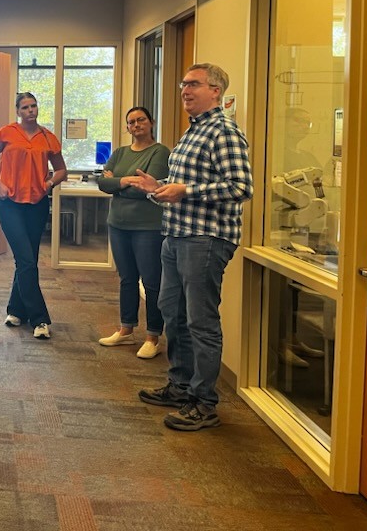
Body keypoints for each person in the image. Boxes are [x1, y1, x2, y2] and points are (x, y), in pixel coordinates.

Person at [129, 63, 253, 431]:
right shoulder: (192, 132)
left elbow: (241, 187)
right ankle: (180, 386)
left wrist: (186, 190)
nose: (185, 89)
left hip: (206, 239)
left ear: (216, 90)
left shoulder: (224, 132)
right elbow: (185, 184)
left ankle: (204, 402)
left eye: (194, 84)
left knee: (201, 322)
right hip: (176, 235)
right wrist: (160, 186)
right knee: (173, 313)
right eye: (183, 83)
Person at [0, 92, 68, 339]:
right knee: (26, 261)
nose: (30, 110)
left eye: (33, 106)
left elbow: (62, 170)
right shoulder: (5, 133)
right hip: (10, 204)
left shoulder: (47, 137)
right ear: (18, 111)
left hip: (37, 204)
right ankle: (40, 319)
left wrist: (50, 183)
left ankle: (16, 310)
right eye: (25, 107)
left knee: (27, 260)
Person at [95, 107, 170, 359]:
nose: (136, 125)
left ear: (151, 122)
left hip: (147, 227)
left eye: (141, 120)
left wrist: (118, 181)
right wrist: (127, 181)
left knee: (151, 282)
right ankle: (126, 330)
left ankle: (153, 336)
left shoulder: (160, 152)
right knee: (127, 279)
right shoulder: (119, 153)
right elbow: (103, 183)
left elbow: (149, 186)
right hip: (118, 224)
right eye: (131, 122)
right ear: (127, 128)